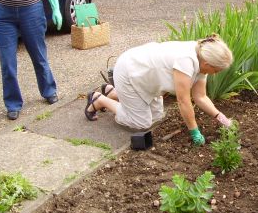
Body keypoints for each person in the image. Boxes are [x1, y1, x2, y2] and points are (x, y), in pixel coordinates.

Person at [84, 34, 233, 145]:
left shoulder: (202, 56)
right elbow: (183, 101)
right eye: (217, 70)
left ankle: (112, 92)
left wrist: (221, 117)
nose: (217, 73)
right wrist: (194, 131)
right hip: (129, 73)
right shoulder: (186, 60)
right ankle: (100, 100)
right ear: (208, 63)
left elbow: (200, 97)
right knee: (140, 123)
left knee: (156, 116)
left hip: (144, 80)